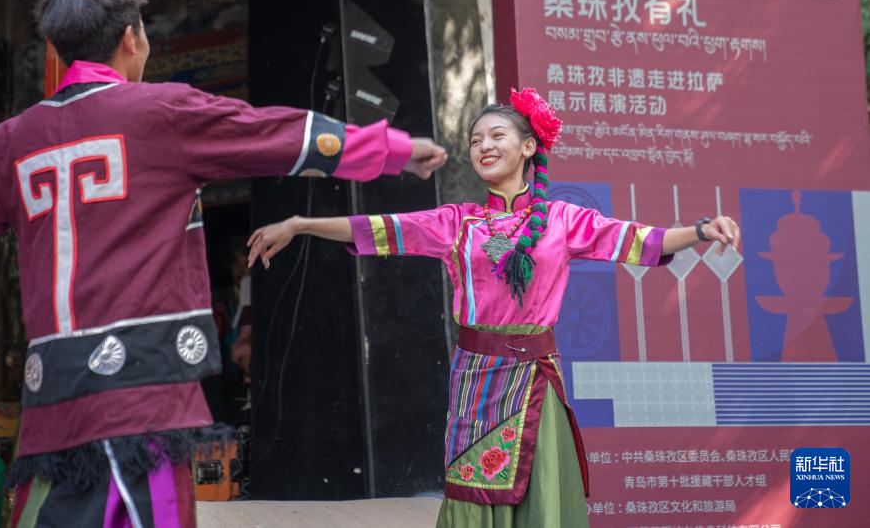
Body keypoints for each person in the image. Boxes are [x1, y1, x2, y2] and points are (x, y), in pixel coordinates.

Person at [0, 0, 447, 527]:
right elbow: (272, 133)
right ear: (131, 39)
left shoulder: (9, 142)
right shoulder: (163, 113)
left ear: (58, 48)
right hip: (143, 395)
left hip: (53, 400)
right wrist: (392, 150)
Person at [247, 87, 741, 527]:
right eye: (475, 139)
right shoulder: (458, 223)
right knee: (471, 490)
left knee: (540, 496)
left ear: (528, 147)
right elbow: (380, 229)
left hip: (535, 380)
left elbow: (638, 241)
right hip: (476, 381)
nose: (483, 145)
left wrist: (700, 230)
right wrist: (301, 224)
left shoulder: (563, 221)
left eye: (496, 135)